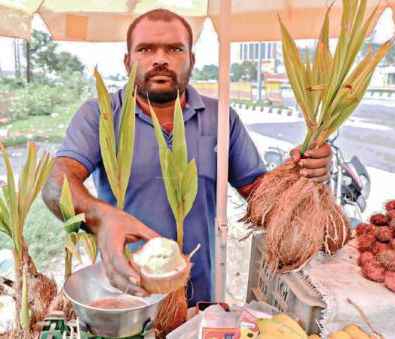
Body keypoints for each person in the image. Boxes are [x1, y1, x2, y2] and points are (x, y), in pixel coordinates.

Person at [41, 8, 332, 307]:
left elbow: (260, 198)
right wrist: (102, 218)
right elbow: (55, 183)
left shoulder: (221, 119)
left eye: (174, 49)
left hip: (199, 294)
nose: (160, 59)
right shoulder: (101, 115)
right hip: (126, 293)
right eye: (145, 49)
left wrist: (302, 173)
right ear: (128, 61)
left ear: (191, 59)